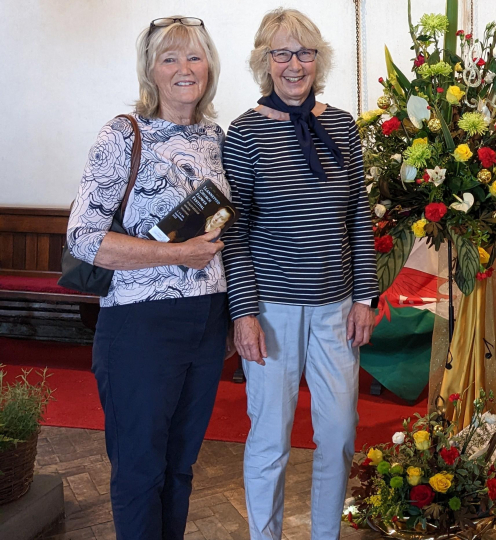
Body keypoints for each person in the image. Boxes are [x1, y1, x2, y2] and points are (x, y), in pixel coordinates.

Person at [66, 16, 229, 539]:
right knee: (140, 471)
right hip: (139, 324)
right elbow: (83, 237)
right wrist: (177, 254)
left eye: (195, 56)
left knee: (179, 468)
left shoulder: (212, 137)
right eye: (170, 58)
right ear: (151, 72)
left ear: (210, 66)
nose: (185, 69)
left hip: (205, 321)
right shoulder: (123, 134)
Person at [221, 8, 378, 540]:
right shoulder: (243, 134)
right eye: (282, 53)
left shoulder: (341, 126)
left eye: (305, 52)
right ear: (265, 62)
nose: (295, 64)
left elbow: (358, 214)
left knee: (337, 435)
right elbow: (233, 233)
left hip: (337, 309)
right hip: (272, 311)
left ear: (319, 59)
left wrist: (366, 297)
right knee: (270, 439)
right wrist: (243, 313)